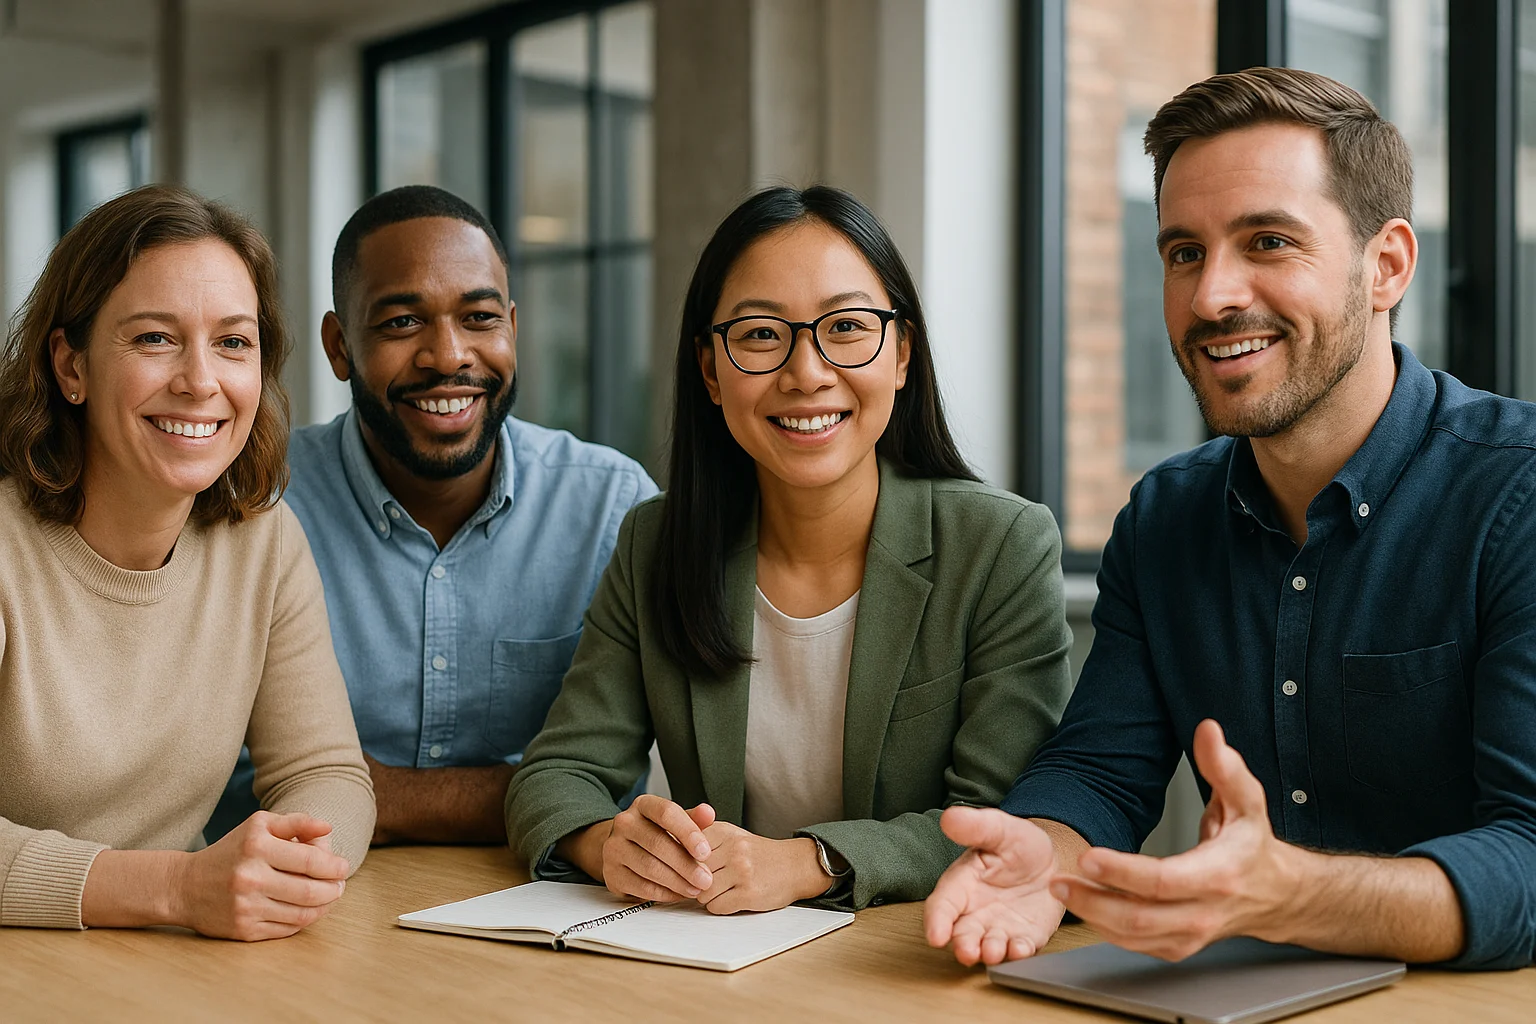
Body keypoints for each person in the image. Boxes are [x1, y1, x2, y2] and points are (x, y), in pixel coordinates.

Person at [926, 67, 1536, 971]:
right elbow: (1099, 771)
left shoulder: (1515, 496)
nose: (1213, 297)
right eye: (1183, 252)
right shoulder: (1165, 518)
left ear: (1388, 265)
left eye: (1268, 242)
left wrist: (1294, 895)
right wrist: (1041, 853)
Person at [505, 185, 1073, 913]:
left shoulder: (1000, 546)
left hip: (909, 963)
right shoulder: (658, 542)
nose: (806, 373)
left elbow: (1008, 821)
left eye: (845, 327)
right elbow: (555, 774)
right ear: (711, 372)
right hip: (713, 960)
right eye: (761, 336)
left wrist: (813, 862)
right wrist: (609, 843)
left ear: (901, 354)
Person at [209, 185, 656, 846]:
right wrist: (540, 797)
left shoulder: (612, 510)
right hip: (296, 913)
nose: (448, 356)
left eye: (479, 319)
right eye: (401, 323)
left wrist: (367, 792)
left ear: (512, 326)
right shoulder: (250, 505)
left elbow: (610, 783)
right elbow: (225, 776)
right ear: (339, 346)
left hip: (541, 909)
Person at [0, 185, 374, 939]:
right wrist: (175, 888)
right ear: (69, 367)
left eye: (233, 342)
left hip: (178, 969)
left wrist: (293, 866)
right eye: (154, 339)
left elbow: (326, 773)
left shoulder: (263, 542)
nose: (201, 381)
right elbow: (181, 889)